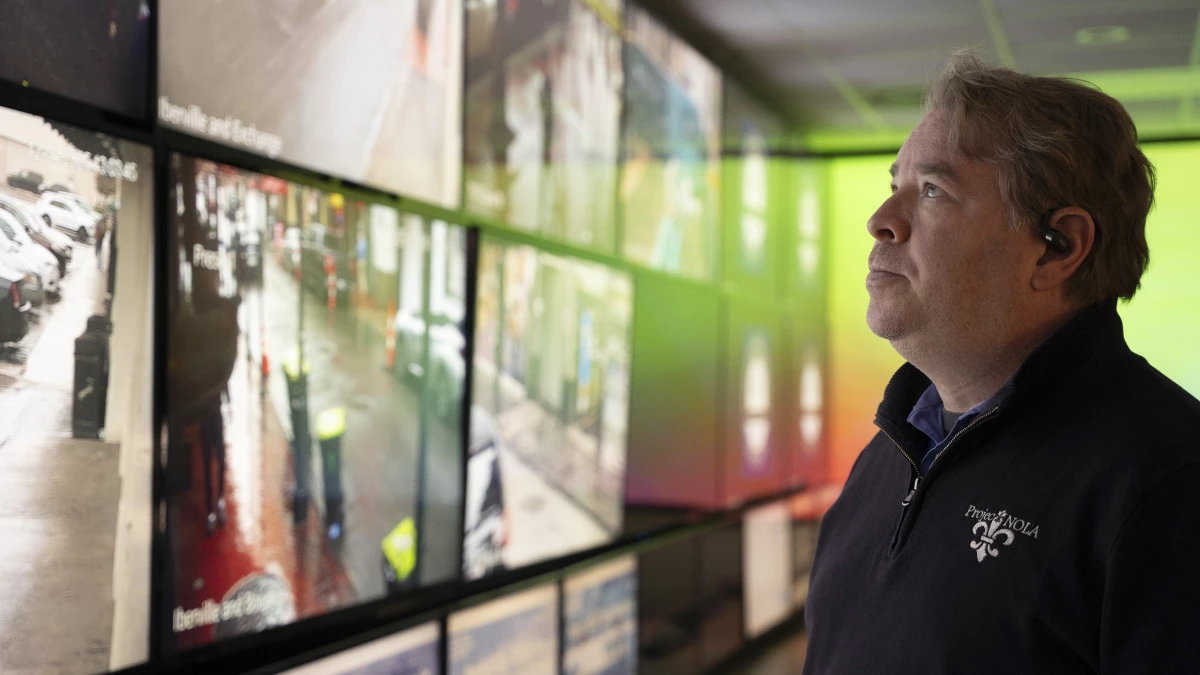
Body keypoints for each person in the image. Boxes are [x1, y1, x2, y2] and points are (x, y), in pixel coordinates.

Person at [803, 50, 1200, 674]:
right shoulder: (889, 452)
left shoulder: (1168, 482)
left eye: (932, 191)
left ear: (1057, 248)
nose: (880, 222)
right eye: (893, 187)